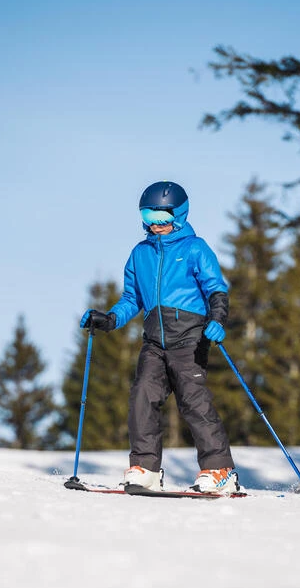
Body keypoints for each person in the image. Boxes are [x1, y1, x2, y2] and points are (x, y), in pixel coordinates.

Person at [80, 181, 238, 494]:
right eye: (149, 217)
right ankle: (146, 468)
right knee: (142, 396)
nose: (155, 225)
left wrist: (218, 319)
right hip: (154, 341)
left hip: (190, 339)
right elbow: (130, 298)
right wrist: (110, 319)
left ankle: (219, 469)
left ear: (178, 215)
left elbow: (216, 289)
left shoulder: (195, 248)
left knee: (194, 402)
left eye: (162, 218)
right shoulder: (140, 254)